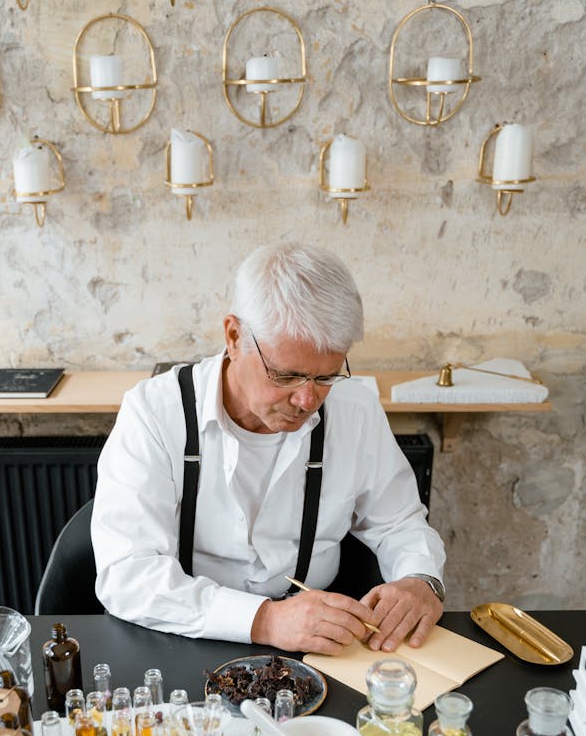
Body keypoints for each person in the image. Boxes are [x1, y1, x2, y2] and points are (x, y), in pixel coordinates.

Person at [92, 243, 445, 655]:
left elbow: (399, 521)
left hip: (316, 646)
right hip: (183, 633)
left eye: (327, 376)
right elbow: (127, 574)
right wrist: (265, 619)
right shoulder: (154, 413)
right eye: (287, 375)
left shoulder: (356, 409)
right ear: (235, 336)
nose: (307, 401)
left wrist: (421, 579)